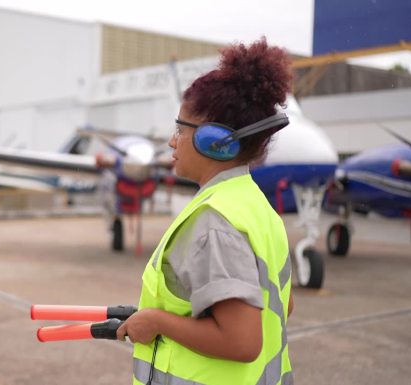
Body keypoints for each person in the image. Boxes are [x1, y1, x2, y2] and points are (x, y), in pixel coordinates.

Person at [116, 37, 295, 385]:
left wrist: (156, 322)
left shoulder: (215, 220)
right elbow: (282, 305)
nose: (171, 141)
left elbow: (242, 341)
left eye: (181, 128)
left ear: (215, 141)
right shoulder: (254, 204)